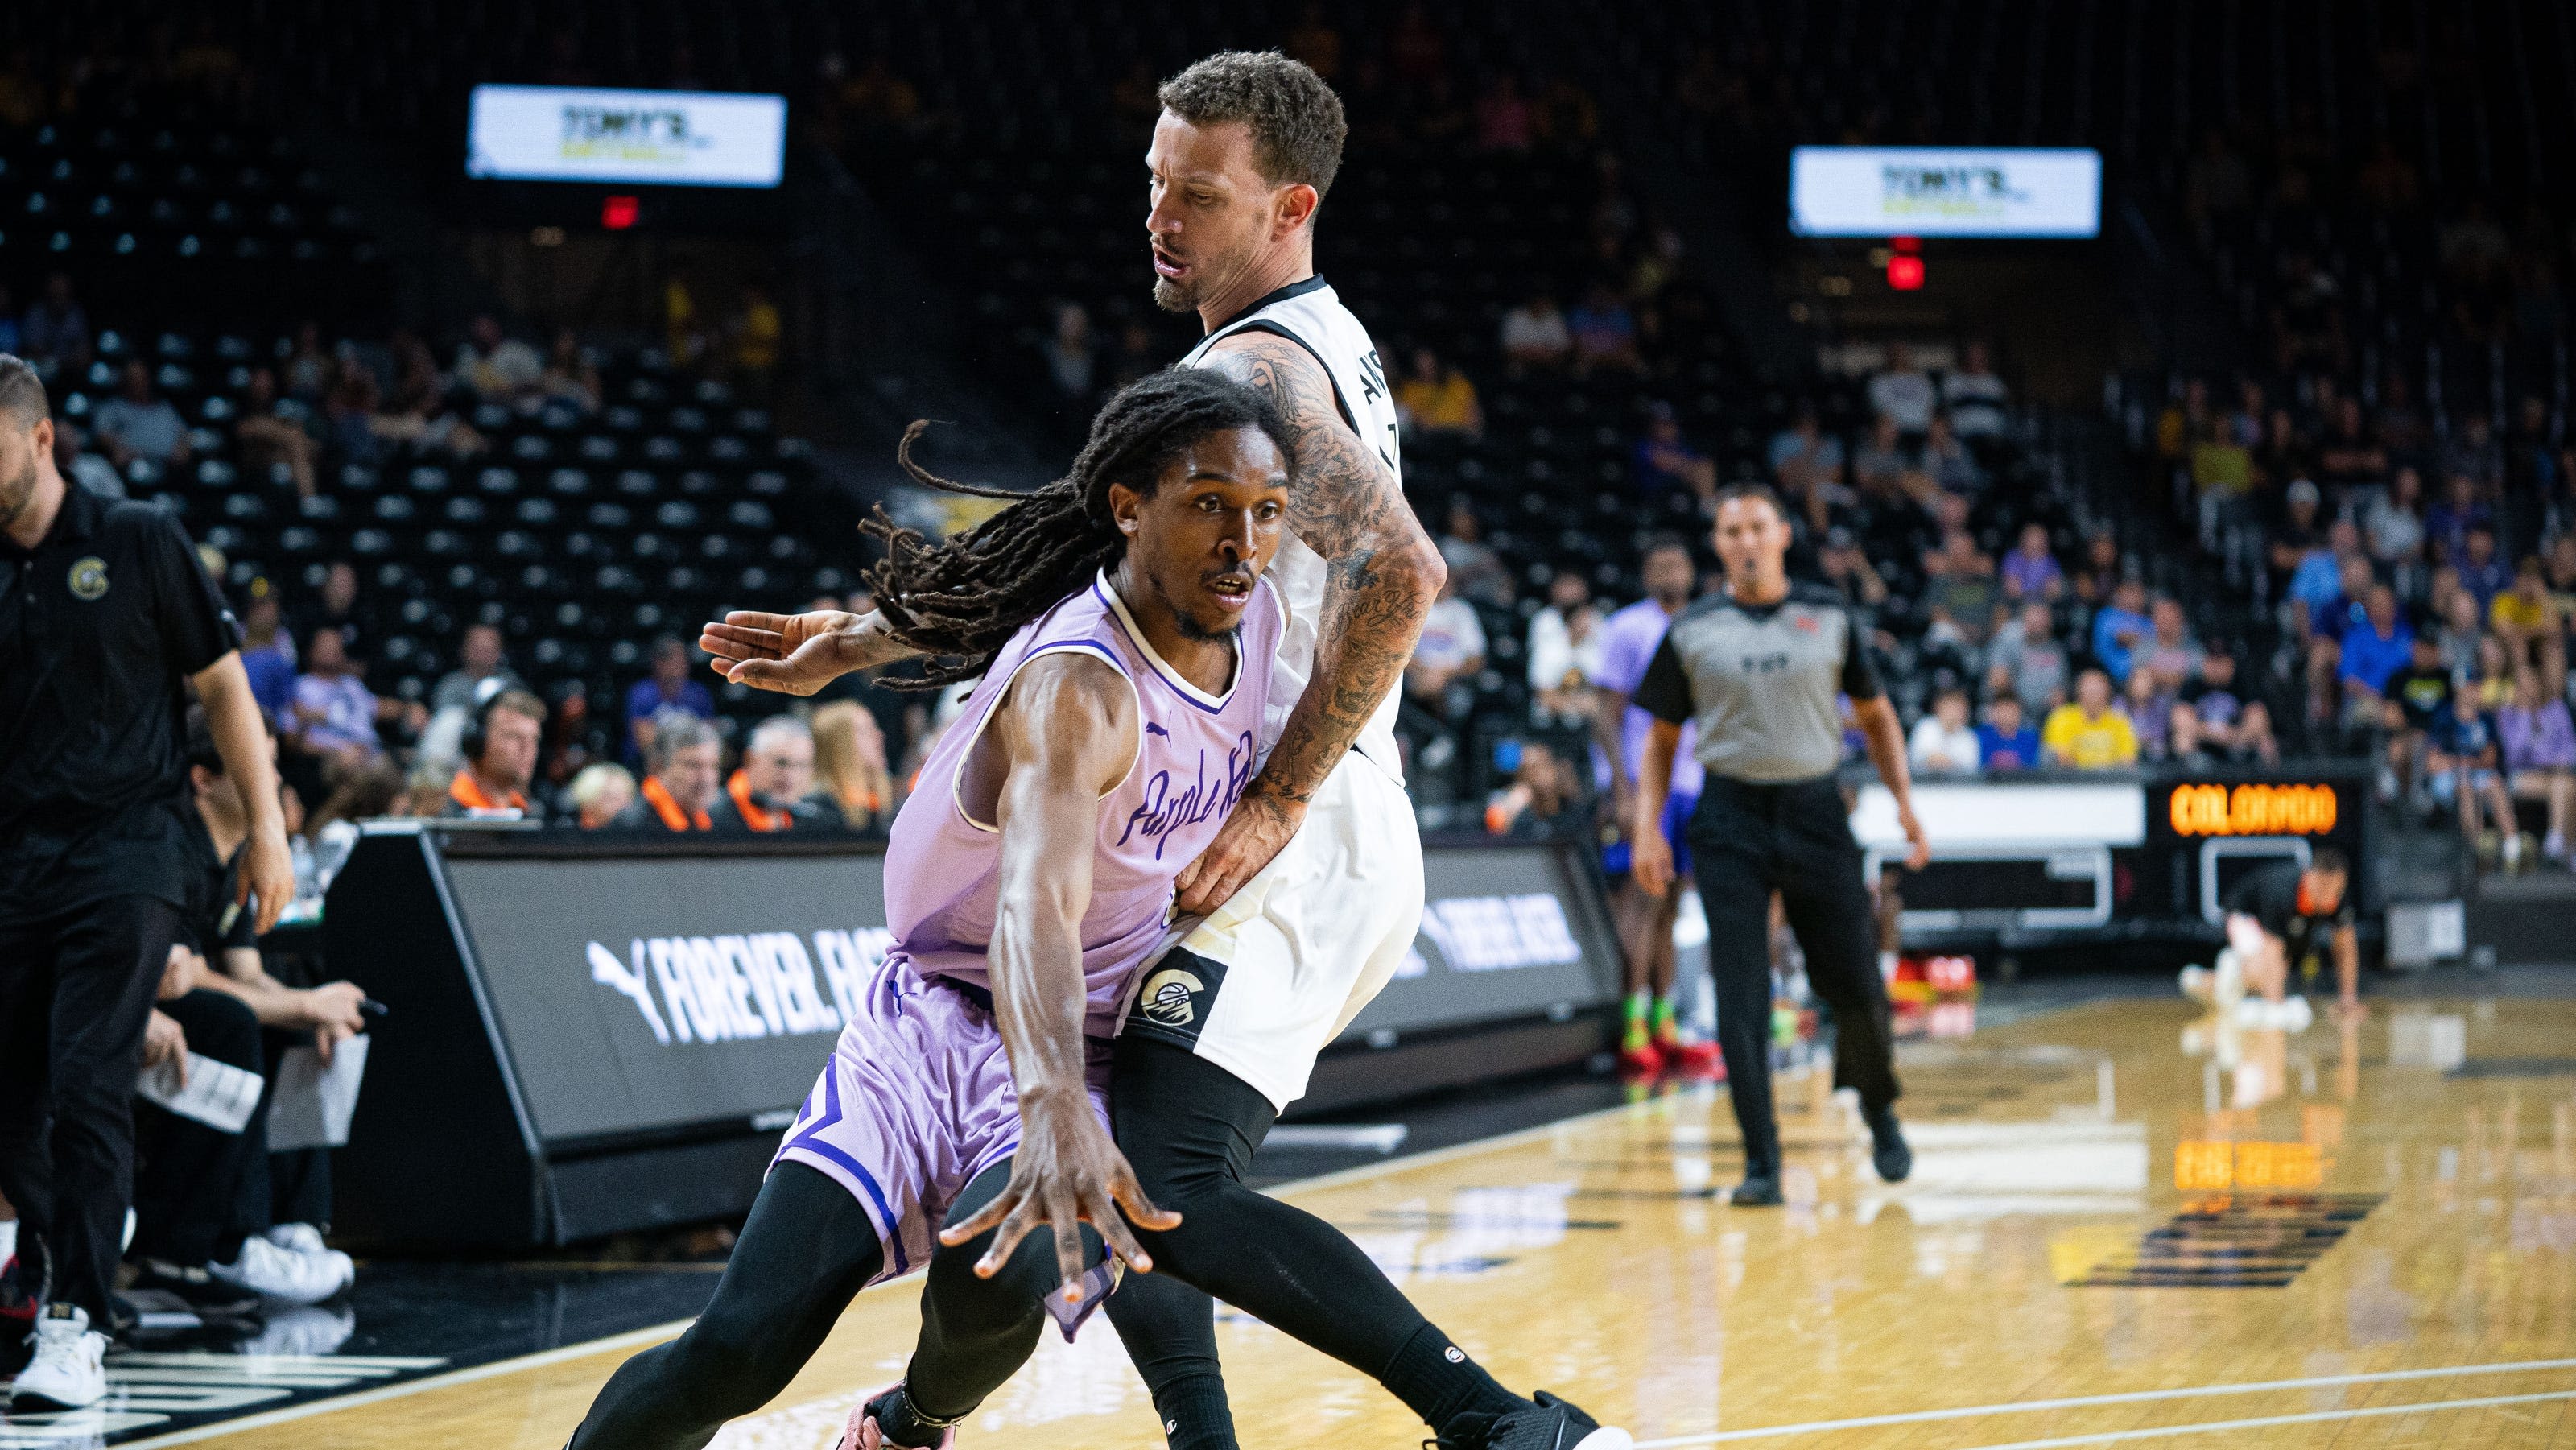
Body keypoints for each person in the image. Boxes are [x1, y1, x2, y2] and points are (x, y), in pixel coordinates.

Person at [695, 52, 1620, 1450]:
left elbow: (1404, 574)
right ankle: (1173, 1433)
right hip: (1291, 812)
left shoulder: (1254, 367)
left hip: (1297, 820)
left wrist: (1280, 794)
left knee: (1162, 1174)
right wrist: (859, 636)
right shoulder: (1306, 337)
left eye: (1199, 194)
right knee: (1113, 1149)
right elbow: (1062, 543)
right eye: (1154, 186)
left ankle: (1500, 1424)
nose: (1162, 218)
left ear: (1290, 205)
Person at [0, 354, 294, 1411]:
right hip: (15, 859)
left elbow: (224, 687)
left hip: (128, 850)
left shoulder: (136, 537)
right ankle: (40, 1278)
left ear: (39, 440)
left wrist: (264, 831)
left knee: (87, 1077)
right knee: (14, 1101)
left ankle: (81, 1319)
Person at [1629, 482, 1925, 1208]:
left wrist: (1906, 804)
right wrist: (1647, 825)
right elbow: (1662, 742)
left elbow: (1878, 716)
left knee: (1854, 982)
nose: (1746, 541)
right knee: (1742, 993)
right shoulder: (1694, 627)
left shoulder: (1828, 615)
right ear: (1719, 544)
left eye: (1758, 527)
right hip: (1730, 817)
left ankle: (1878, 1105)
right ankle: (1762, 1162)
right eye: (1731, 531)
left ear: (1784, 533)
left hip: (1817, 810)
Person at [130, 710, 361, 1314]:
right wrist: (305, 1003)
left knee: (299, 1015)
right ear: (205, 776)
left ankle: (296, 1220)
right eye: (251, 757)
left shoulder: (236, 855)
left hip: (179, 1007)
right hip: (131, 1017)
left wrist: (308, 1009)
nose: (271, 771)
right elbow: (178, 974)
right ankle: (219, 1242)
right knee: (230, 1020)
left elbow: (245, 972)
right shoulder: (171, 840)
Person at [1593, 539, 1709, 1076]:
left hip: (1691, 781)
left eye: (1679, 562)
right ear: (1645, 575)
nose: (1672, 571)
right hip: (1647, 782)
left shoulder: (1702, 623)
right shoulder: (1627, 627)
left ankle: (1665, 1021)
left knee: (1669, 905)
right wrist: (1620, 787)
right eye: (1661, 564)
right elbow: (1606, 712)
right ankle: (1631, 1021)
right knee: (1640, 901)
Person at [2215, 849, 2360, 1021]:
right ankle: (2227, 971)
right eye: (2323, 887)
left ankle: (2205, 981)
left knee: (2270, 972)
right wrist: (2276, 1008)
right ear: (2309, 877)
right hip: (2244, 915)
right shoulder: (2282, 891)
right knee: (2259, 971)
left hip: (2283, 932)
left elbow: (2346, 946)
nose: (2329, 896)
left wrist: (2348, 999)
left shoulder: (2338, 897)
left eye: (2336, 889)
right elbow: (2272, 949)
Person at [2499, 670, 2576, 864]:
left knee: (2565, 785)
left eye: (2531, 685)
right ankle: (2568, 848)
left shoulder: (2556, 708)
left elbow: (2570, 745)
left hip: (2555, 775)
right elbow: (2513, 753)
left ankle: (2558, 840)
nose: (2528, 691)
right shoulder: (2507, 714)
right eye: (2523, 687)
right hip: (2521, 777)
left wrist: (2561, 759)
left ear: (2540, 685)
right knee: (2567, 787)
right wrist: (2525, 714)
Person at [440, 689, 546, 817]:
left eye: (534, 739)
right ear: (479, 741)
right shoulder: (444, 810)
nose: (528, 748)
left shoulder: (531, 813)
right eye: (514, 736)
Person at [711, 715, 822, 832]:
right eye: (781, 763)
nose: (791, 775)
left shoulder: (816, 821)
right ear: (750, 760)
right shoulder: (710, 816)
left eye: (802, 765)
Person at [614, 712, 720, 832]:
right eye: (693, 765)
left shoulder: (719, 818)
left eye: (713, 766)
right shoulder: (631, 825)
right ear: (658, 767)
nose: (706, 778)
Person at [624, 635, 716, 766]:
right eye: (675, 660)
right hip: (646, 764)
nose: (682, 665)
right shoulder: (642, 692)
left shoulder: (698, 693)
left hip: (690, 760)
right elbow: (644, 741)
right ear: (659, 663)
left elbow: (709, 735)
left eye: (684, 660)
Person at [90, 359, 192, 470]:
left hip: (169, 467)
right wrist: (119, 448)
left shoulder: (164, 408)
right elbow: (103, 434)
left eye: (142, 379)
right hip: (133, 467)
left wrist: (183, 448)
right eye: (133, 379)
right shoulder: (112, 407)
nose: (138, 384)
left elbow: (184, 433)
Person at [809, 700, 894, 830]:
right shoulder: (818, 812)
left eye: (874, 728)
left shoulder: (881, 807)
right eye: (865, 731)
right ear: (839, 745)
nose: (879, 736)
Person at [2043, 667, 2140, 769]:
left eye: (2098, 691)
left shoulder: (2120, 720)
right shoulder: (2062, 717)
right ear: (2078, 693)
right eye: (2090, 691)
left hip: (2112, 781)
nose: (2093, 695)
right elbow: (2060, 757)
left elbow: (2128, 758)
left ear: (2107, 693)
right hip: (2072, 781)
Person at [1393, 346, 1482, 439]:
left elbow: (1475, 418)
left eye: (1428, 359)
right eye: (1421, 360)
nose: (1425, 365)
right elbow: (1408, 420)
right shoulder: (1409, 389)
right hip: (1428, 441)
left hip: (1460, 439)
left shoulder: (1457, 383)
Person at [1908, 687, 1980, 774]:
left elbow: (1971, 767)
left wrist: (1944, 761)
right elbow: (1919, 758)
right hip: (1922, 785)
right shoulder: (1925, 726)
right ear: (1939, 707)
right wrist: (1949, 762)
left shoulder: (1969, 736)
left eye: (1959, 707)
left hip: (1958, 786)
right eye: (1950, 706)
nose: (1954, 712)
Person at [1977, 693, 2041, 771]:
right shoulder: (1981, 738)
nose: (2006, 715)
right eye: (2002, 710)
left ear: (2019, 712)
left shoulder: (2030, 739)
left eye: (2010, 710)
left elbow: (2034, 770)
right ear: (1993, 713)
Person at [567, 762, 638, 831]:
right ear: (588, 802)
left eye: (629, 796)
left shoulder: (631, 831)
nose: (625, 805)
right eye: (612, 798)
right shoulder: (566, 829)